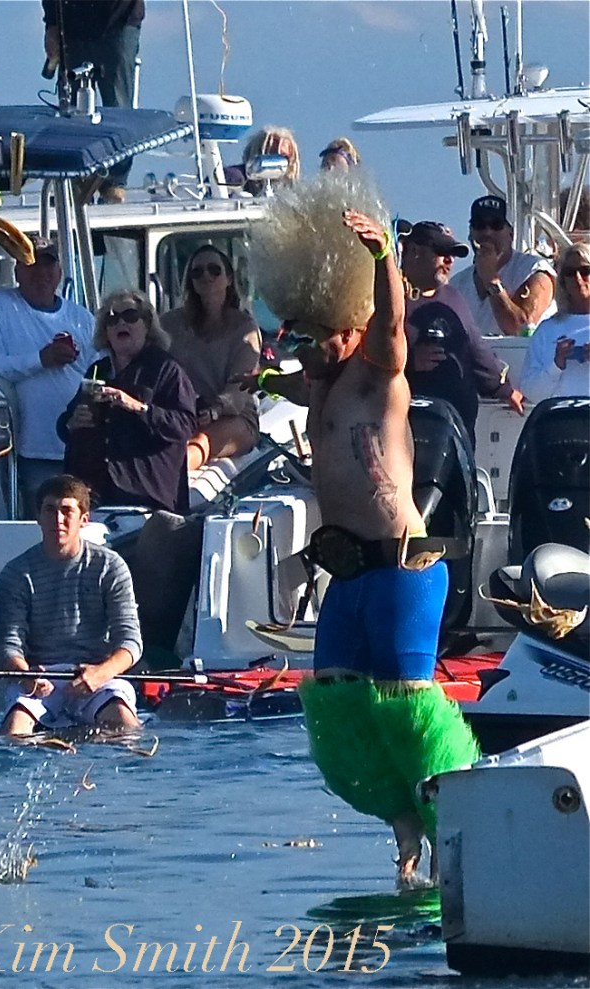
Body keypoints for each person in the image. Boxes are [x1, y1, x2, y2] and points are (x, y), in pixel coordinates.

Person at [247, 175, 480, 886]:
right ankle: (405, 825)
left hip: (405, 568)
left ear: (350, 327)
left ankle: (457, 832)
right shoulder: (315, 383)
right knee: (341, 706)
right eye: (307, 337)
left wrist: (383, 259)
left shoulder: (381, 374)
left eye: (325, 336)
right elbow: (272, 376)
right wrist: (260, 368)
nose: (316, 348)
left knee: (408, 706)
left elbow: (391, 328)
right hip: (347, 575)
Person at [0, 474, 142, 736]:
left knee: (127, 725)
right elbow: (9, 646)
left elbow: (130, 642)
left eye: (67, 511)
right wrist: (26, 676)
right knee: (14, 731)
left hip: (97, 675)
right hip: (39, 681)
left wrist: (100, 673)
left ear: (84, 519)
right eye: (50, 510)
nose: (58, 519)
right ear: (38, 517)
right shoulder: (16, 573)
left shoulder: (110, 566)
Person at [0, 235, 96, 518]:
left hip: (81, 448)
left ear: (59, 272)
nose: (40, 272)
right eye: (31, 265)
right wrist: (40, 359)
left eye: (48, 264)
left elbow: (100, 372)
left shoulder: (82, 318)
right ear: (17, 271)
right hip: (31, 449)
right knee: (41, 526)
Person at [58, 290, 197, 512]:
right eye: (112, 319)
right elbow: (64, 423)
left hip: (144, 496)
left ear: (147, 325)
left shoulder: (166, 369)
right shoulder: (97, 370)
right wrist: (72, 421)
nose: (121, 323)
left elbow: (185, 425)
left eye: (130, 316)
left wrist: (138, 407)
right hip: (91, 495)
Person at [401, 220, 524, 445]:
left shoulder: (454, 297)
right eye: (441, 252)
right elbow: (363, 357)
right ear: (414, 251)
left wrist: (504, 389)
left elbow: (478, 352)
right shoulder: (387, 299)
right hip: (404, 435)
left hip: (457, 435)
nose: (450, 260)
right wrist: (407, 361)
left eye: (453, 254)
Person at [161, 246, 261, 471]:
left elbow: (240, 388)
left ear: (229, 279)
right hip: (183, 414)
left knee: (200, 441)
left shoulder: (245, 328)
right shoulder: (169, 324)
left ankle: (171, 473)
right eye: (197, 272)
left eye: (214, 270)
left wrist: (216, 409)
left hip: (234, 417)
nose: (206, 276)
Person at [41, 0, 145, 202]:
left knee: (117, 109)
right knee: (70, 113)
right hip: (71, 28)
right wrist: (51, 24)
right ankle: (76, 177)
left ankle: (115, 181)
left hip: (119, 23)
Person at [450, 195, 556, 336]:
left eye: (496, 225)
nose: (487, 232)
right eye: (479, 225)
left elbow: (520, 328)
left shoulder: (535, 270)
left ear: (511, 233)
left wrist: (491, 280)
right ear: (470, 233)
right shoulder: (457, 284)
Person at [520, 241, 590, 402]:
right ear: (563, 280)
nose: (578, 278)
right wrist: (556, 365)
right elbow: (531, 393)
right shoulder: (547, 330)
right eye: (570, 272)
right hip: (559, 422)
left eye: (585, 270)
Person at [225, 126, 300, 197]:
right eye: (271, 155)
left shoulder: (288, 190)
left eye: (283, 157)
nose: (277, 163)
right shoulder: (234, 177)